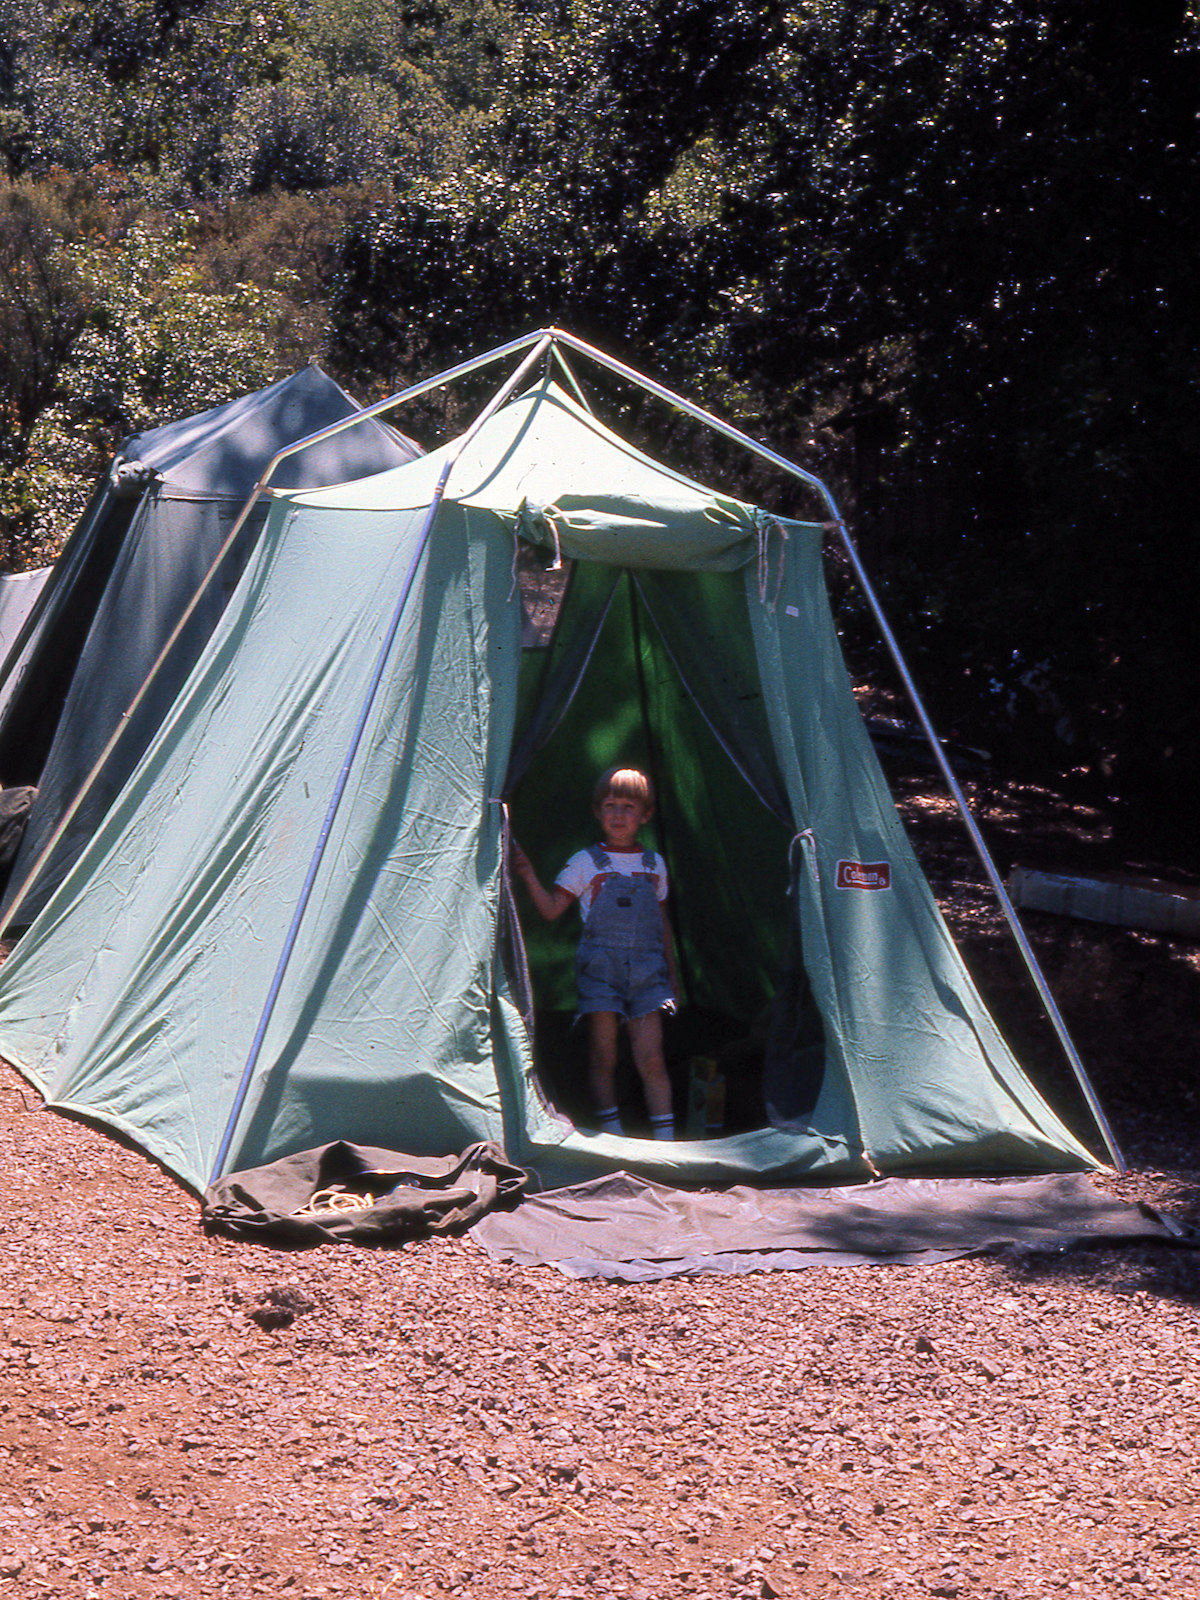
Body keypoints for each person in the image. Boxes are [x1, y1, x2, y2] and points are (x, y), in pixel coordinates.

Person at [511, 766, 679, 1139]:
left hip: (648, 974)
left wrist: (673, 978)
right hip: (601, 970)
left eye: (628, 807)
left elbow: (661, 925)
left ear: (645, 814)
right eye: (610, 806)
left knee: (651, 1058)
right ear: (598, 812)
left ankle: (666, 1141)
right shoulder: (586, 862)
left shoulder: (654, 865)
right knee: (604, 1056)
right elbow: (552, 908)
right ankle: (611, 1136)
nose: (618, 815)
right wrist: (527, 875)